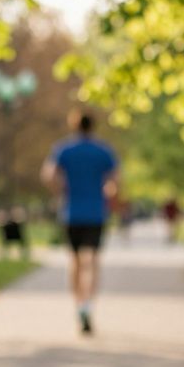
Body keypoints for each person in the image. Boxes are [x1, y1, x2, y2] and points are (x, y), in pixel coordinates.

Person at [41, 110, 118, 335]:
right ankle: (88, 306)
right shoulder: (104, 151)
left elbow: (48, 175)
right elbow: (115, 182)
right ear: (93, 126)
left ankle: (78, 306)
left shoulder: (63, 149)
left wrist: (62, 191)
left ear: (74, 125)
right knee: (92, 260)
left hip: (72, 213)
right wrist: (107, 194)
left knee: (75, 261)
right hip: (96, 213)